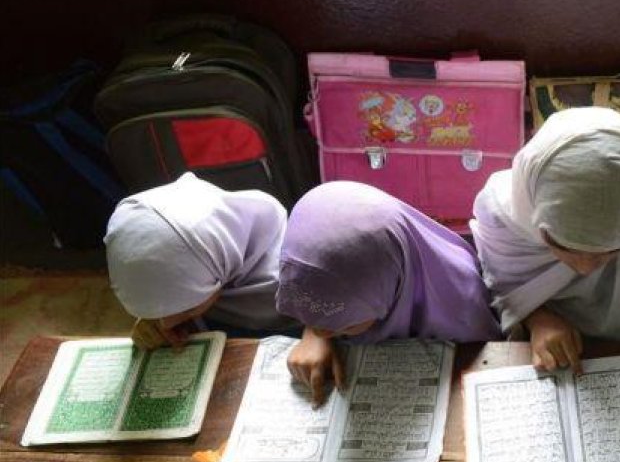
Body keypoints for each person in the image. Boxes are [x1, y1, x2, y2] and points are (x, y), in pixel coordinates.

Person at [471, 106, 620, 372]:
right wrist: (535, 318)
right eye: (560, 243)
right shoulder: (503, 215)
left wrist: (619, 361)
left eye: (612, 249)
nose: (585, 267)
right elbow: (499, 284)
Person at [276, 181, 501, 404]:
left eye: (345, 325)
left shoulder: (461, 306)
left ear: (395, 288)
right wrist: (312, 336)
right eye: (306, 317)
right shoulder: (346, 288)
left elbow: (482, 364)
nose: (323, 332)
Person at [105, 172, 295, 350]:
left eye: (188, 307)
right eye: (157, 312)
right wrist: (151, 321)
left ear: (220, 261)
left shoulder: (301, 276)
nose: (167, 323)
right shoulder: (205, 264)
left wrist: (318, 336)